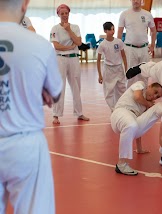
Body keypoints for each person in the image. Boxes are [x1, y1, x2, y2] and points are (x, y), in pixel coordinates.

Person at [0, 0, 63, 213]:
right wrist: (38, 88)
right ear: (25, 4)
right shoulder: (39, 45)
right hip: (25, 143)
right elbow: (55, 94)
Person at [111, 81, 162, 175]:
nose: (154, 96)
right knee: (131, 124)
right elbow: (137, 97)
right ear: (149, 86)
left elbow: (140, 122)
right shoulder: (140, 85)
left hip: (133, 119)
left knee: (160, 106)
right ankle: (121, 164)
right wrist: (149, 105)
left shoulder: (148, 104)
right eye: (155, 92)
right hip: (121, 112)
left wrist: (139, 148)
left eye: (157, 96)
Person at [50, 4, 89, 124]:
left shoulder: (75, 27)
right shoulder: (55, 29)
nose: (64, 15)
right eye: (62, 13)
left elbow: (78, 42)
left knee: (76, 86)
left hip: (73, 59)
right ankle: (56, 114)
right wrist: (69, 47)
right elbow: (56, 46)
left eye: (66, 13)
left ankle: (79, 113)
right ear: (58, 15)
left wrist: (68, 30)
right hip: (60, 59)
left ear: (69, 14)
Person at [117, 0, 157, 87]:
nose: (136, 1)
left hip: (144, 49)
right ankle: (130, 99)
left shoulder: (147, 14)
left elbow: (154, 31)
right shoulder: (125, 14)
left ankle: (143, 95)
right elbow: (119, 33)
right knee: (130, 75)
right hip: (130, 49)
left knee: (145, 74)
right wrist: (120, 49)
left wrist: (152, 45)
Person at [97, 22, 127, 112]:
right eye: (110, 29)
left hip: (119, 68)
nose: (112, 31)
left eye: (113, 29)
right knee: (109, 91)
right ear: (105, 31)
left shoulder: (119, 42)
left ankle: (121, 107)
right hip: (108, 69)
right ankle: (113, 109)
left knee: (122, 88)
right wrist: (100, 75)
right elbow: (98, 60)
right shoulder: (102, 44)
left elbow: (124, 56)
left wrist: (126, 69)